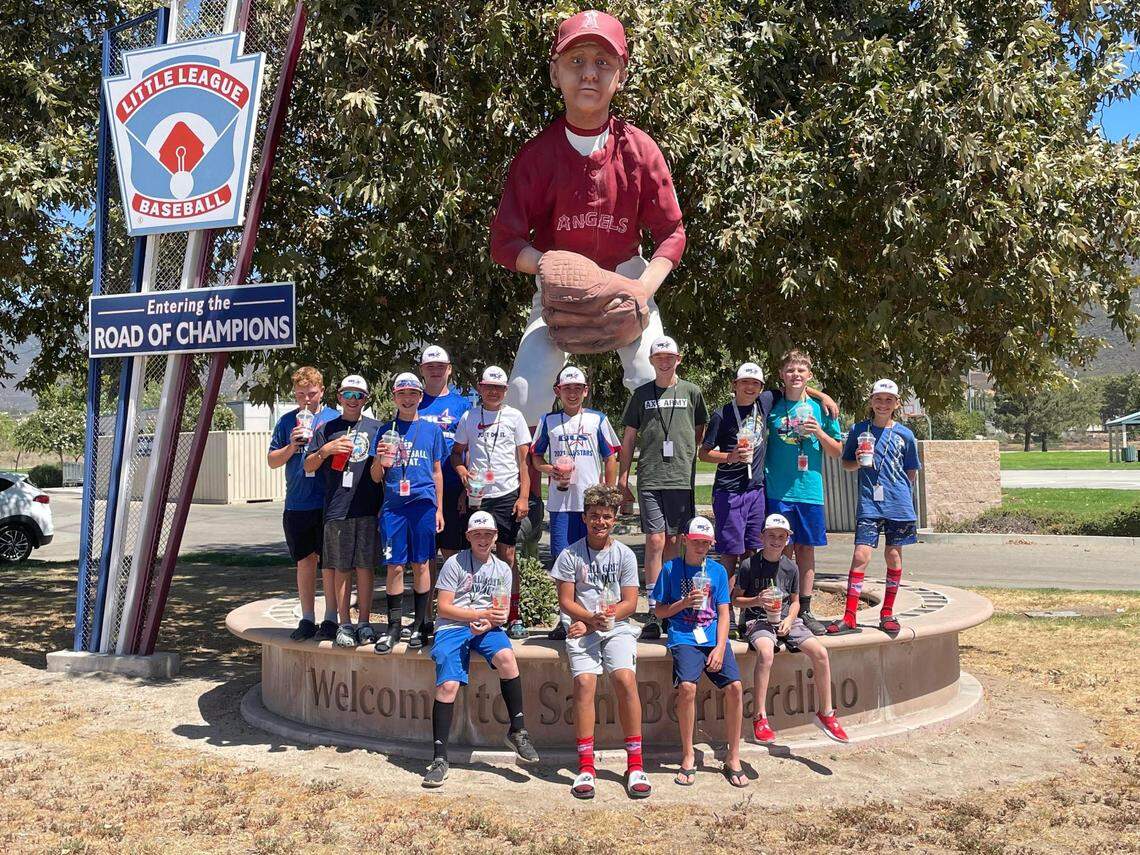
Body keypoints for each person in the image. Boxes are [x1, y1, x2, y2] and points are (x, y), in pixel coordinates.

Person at [489, 9, 686, 427]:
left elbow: (671, 233)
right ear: (554, 72)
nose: (589, 74)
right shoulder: (536, 156)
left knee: (657, 381)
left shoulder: (639, 149)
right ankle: (526, 493)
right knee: (524, 390)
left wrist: (640, 290)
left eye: (603, 62)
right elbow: (504, 241)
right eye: (576, 61)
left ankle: (657, 488)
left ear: (622, 74)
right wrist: (546, 265)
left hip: (626, 273)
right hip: (560, 286)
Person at [698, 362, 837, 636]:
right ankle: (718, 612)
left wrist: (824, 396)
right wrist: (729, 457)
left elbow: (797, 384)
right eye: (744, 382)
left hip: (758, 489)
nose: (749, 387)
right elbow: (703, 453)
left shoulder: (765, 401)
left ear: (762, 388)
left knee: (753, 551)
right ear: (734, 384)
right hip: (731, 490)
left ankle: (753, 613)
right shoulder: (723, 414)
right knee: (730, 552)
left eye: (755, 383)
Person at [422, 511, 540, 787]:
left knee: (507, 659)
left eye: (488, 534)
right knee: (448, 686)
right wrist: (476, 616)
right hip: (452, 627)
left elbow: (500, 612)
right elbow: (445, 607)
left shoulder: (502, 569)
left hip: (485, 627)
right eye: (477, 534)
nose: (483, 539)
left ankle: (518, 731)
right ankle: (440, 758)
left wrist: (488, 621)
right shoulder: (454, 563)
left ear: (496, 537)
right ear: (468, 537)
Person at [550, 484, 649, 800]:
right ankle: (586, 767)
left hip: (615, 627)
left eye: (606, 517)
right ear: (584, 517)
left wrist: (601, 622)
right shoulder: (570, 554)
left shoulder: (625, 555)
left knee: (624, 679)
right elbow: (566, 600)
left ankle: (635, 764)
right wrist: (591, 622)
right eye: (594, 516)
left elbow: (630, 602)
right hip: (581, 625)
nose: (600, 522)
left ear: (615, 519)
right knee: (584, 685)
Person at [618, 335, 707, 639]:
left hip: (680, 479)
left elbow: (698, 431)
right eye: (659, 357)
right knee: (655, 541)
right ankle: (655, 608)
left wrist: (683, 454)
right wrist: (622, 477)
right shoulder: (641, 395)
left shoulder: (692, 392)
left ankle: (671, 606)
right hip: (650, 477)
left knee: (674, 543)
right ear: (652, 361)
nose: (665, 361)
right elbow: (629, 438)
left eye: (670, 356)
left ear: (678, 359)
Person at [734, 513, 849, 744]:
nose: (776, 540)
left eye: (781, 536)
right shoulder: (749, 565)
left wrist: (791, 618)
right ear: (762, 536)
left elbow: (795, 601)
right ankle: (760, 716)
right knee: (766, 654)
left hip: (787, 619)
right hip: (758, 620)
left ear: (787, 540)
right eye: (771, 535)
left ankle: (826, 713)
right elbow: (735, 600)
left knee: (821, 653)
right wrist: (757, 600)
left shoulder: (790, 567)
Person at [652, 516, 745, 788]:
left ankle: (733, 755)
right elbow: (658, 611)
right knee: (688, 688)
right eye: (697, 542)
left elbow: (724, 612)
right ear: (685, 541)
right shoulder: (670, 569)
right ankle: (688, 753)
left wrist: (719, 646)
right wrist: (682, 603)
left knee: (736, 687)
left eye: (706, 543)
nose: (701, 547)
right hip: (684, 635)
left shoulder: (716, 571)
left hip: (712, 637)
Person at [530, 365, 619, 640]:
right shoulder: (548, 420)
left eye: (577, 388)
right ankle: (565, 618)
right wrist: (550, 470)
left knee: (593, 561)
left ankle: (593, 616)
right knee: (562, 560)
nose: (572, 393)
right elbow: (535, 457)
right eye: (566, 388)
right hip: (560, 503)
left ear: (585, 391)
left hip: (590, 504)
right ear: (558, 391)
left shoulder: (598, 419)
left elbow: (611, 456)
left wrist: (610, 491)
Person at [827, 379, 921, 638]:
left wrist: (898, 490)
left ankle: (887, 613)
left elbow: (911, 470)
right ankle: (849, 616)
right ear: (871, 402)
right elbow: (846, 464)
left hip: (898, 504)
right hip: (869, 503)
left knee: (893, 555)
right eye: (878, 399)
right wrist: (857, 463)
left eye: (889, 400)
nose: (883, 404)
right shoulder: (859, 429)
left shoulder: (905, 434)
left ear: (897, 404)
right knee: (861, 555)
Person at [763, 349, 844, 636]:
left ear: (809, 375)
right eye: (790, 371)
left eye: (801, 371)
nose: (795, 375)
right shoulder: (771, 404)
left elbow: (837, 451)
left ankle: (806, 608)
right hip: (778, 491)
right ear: (781, 375)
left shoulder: (823, 410)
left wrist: (819, 432)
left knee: (805, 550)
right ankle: (782, 606)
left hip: (809, 490)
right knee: (779, 549)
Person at [451, 365, 533, 639]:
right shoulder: (469, 416)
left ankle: (512, 615)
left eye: (498, 388)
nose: (493, 392)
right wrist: (463, 474)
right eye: (488, 387)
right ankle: (476, 610)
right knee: (476, 554)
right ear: (480, 388)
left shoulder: (515, 417)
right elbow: (457, 453)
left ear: (505, 391)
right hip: (478, 496)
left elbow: (525, 463)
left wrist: (523, 497)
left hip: (507, 493)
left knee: (507, 556)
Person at [303, 375, 383, 648]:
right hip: (337, 508)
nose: (352, 400)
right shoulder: (327, 428)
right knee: (340, 567)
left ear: (366, 399)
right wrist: (325, 450)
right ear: (338, 397)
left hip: (368, 506)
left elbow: (383, 470)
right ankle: (344, 623)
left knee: (364, 566)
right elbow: (309, 466)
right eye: (347, 395)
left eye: (358, 396)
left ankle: (363, 622)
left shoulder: (377, 428)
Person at [371, 373, 447, 653]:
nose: (407, 398)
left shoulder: (431, 430)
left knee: (422, 564)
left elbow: (437, 472)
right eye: (402, 393)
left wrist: (439, 509)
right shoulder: (385, 430)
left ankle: (419, 624)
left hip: (423, 505)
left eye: (413, 393)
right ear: (394, 397)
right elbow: (375, 476)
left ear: (420, 397)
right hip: (394, 507)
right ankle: (393, 628)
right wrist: (380, 458)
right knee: (395, 565)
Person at [266, 366, 340, 641]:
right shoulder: (287, 422)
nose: (306, 400)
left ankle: (331, 617)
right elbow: (272, 461)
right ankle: (307, 618)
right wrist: (292, 446)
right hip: (297, 502)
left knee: (330, 563)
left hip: (328, 501)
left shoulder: (334, 418)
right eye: (300, 395)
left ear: (321, 391)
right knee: (305, 562)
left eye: (311, 393)